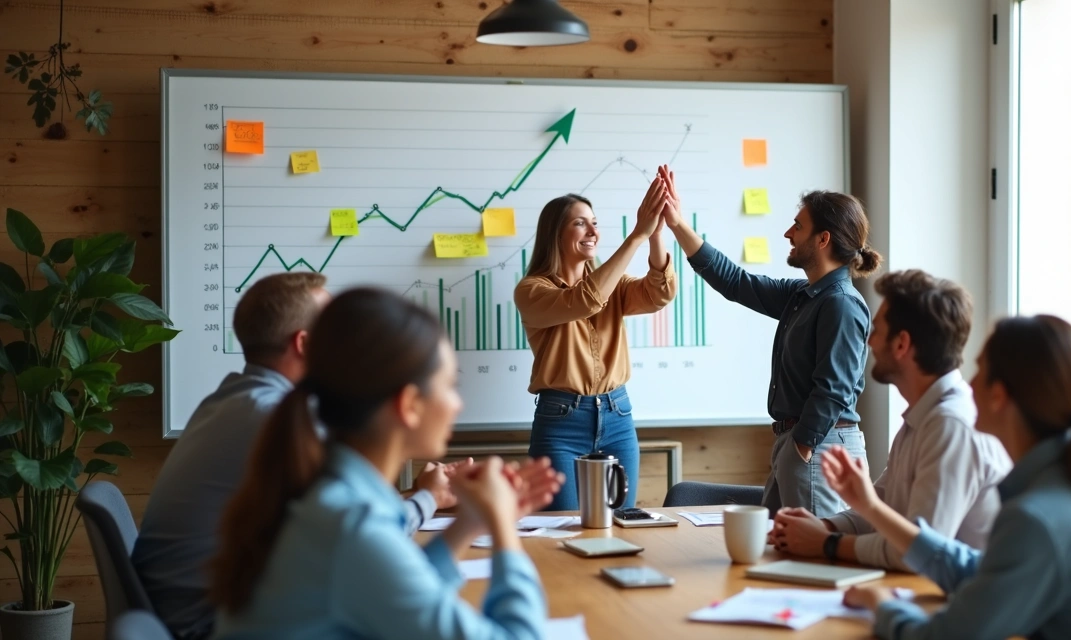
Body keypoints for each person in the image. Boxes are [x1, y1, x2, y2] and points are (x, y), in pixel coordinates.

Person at [210, 289, 561, 639]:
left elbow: (400, 591)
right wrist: (501, 526)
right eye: (450, 385)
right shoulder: (352, 524)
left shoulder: (335, 493)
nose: (458, 404)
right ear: (409, 404)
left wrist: (470, 522)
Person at [134, 273, 461, 639]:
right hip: (204, 626)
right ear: (305, 344)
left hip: (193, 613)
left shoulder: (235, 399)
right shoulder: (277, 422)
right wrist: (429, 499)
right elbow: (351, 530)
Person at [822, 315, 1071, 640]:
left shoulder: (1037, 518)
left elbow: (943, 636)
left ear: (999, 394)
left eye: (979, 370)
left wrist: (882, 604)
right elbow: (981, 570)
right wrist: (870, 507)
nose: (970, 383)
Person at [658, 165, 878, 515]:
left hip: (818, 444)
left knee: (812, 548)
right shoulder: (803, 295)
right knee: (781, 543)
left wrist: (802, 445)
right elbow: (735, 282)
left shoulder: (841, 304)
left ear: (823, 239)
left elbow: (833, 390)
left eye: (798, 226)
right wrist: (677, 224)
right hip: (800, 442)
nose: (788, 233)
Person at [769, 270, 1011, 568]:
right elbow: (881, 508)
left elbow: (918, 553)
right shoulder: (923, 417)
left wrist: (826, 543)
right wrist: (824, 526)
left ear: (901, 344)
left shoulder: (950, 425)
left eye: (877, 330)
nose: (869, 340)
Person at [514, 178, 675, 510]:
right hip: (561, 422)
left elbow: (659, 293)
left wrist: (655, 234)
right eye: (580, 223)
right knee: (562, 526)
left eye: (595, 223)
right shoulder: (532, 290)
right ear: (555, 234)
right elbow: (584, 300)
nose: (593, 232)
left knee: (621, 522)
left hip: (617, 415)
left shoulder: (612, 285)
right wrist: (636, 235)